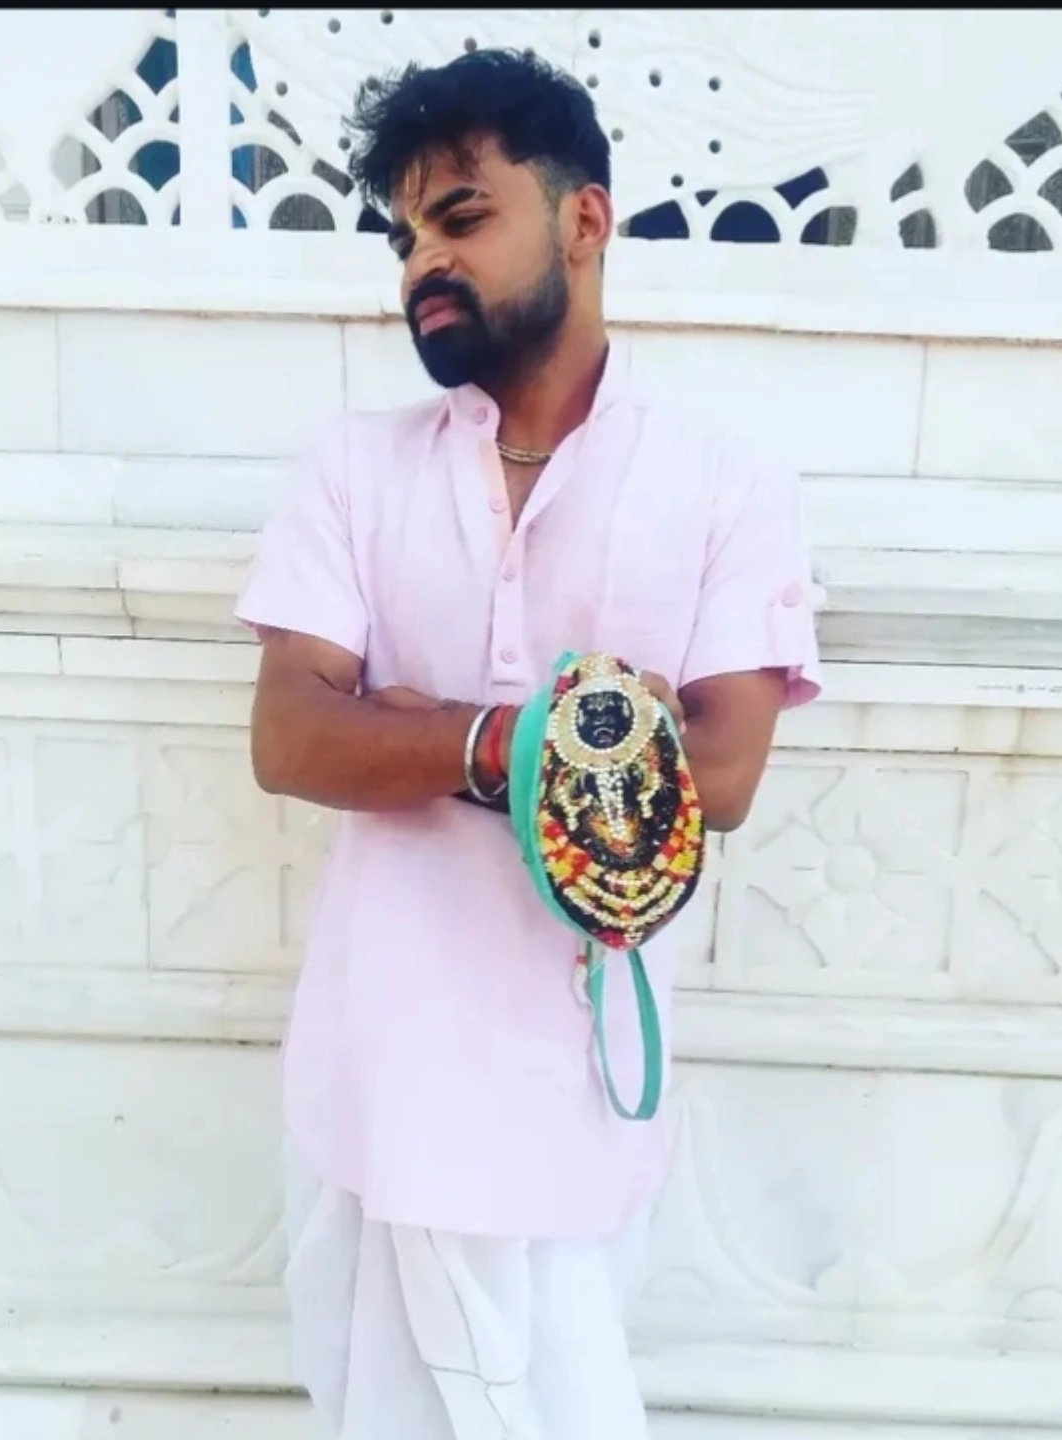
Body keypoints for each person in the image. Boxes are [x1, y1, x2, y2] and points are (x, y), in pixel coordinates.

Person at [236, 46, 822, 1440]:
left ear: (584, 219)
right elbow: (292, 735)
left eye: (461, 217)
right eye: (403, 237)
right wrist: (528, 737)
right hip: (378, 1071)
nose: (421, 264)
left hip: (580, 1082)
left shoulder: (722, 485)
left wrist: (414, 730)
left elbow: (722, 774)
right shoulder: (353, 468)